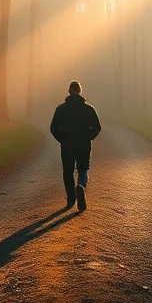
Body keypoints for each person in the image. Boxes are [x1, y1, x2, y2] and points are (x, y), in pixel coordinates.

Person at [49, 80, 102, 211]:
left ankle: (71, 200)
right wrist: (88, 137)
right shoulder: (89, 109)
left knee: (68, 172)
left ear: (69, 91)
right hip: (84, 144)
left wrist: (62, 139)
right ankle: (81, 186)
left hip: (67, 145)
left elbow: (53, 128)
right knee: (83, 169)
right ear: (80, 92)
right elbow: (97, 127)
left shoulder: (61, 109)